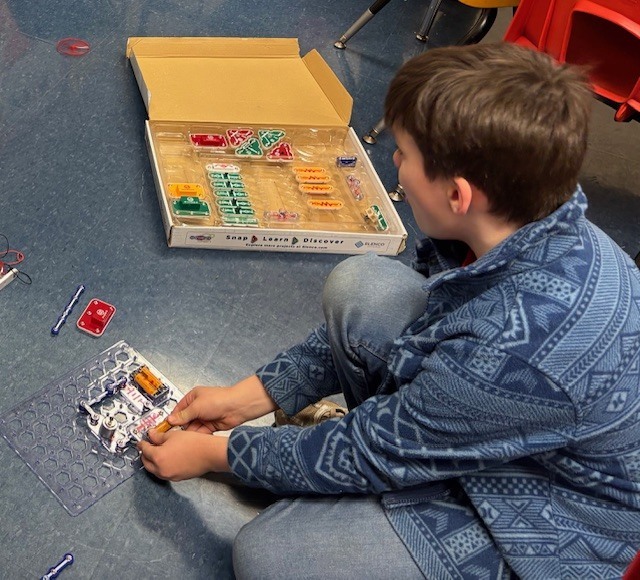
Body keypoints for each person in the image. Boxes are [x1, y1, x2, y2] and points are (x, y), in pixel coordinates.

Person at [138, 42, 640, 579]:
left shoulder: (514, 354)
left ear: (458, 195)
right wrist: (251, 397)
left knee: (271, 556)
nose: (394, 165)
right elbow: (427, 327)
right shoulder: (535, 222)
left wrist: (219, 455)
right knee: (364, 283)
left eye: (403, 153)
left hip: (550, 521)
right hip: (493, 420)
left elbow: (368, 450)